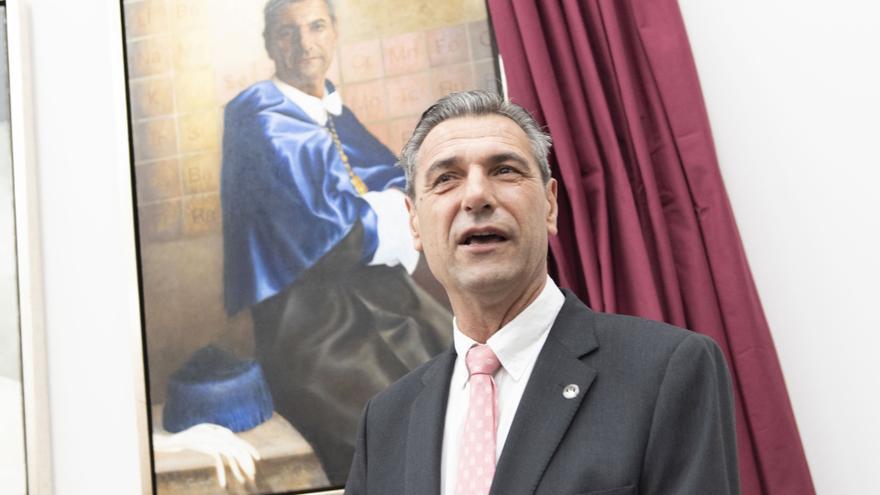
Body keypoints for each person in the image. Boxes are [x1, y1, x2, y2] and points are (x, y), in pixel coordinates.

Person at [345, 90, 741, 494]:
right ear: (414, 223)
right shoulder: (385, 421)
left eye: (504, 170)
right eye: (446, 178)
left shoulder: (667, 370)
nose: (477, 195)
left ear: (550, 205)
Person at [220, 0, 451, 484]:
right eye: (287, 32)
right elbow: (336, 233)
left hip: (382, 298)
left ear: (334, 33)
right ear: (269, 43)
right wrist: (396, 210)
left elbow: (397, 181)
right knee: (387, 432)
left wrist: (398, 205)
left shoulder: (329, 108)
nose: (305, 43)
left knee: (461, 377)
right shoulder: (260, 118)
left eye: (316, 26)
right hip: (310, 328)